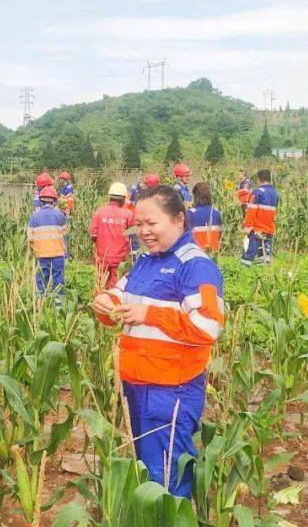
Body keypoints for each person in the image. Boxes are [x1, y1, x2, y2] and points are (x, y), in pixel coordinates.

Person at [91, 185, 225, 497]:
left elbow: (207, 327)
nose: (144, 232)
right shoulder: (146, 261)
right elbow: (122, 293)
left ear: (179, 219)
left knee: (166, 475)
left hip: (170, 390)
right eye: (138, 225)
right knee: (147, 472)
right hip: (137, 386)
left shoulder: (196, 266)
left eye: (152, 224)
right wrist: (106, 302)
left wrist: (149, 314)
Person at [90, 182, 135, 289]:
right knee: (116, 288)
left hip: (102, 258)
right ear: (123, 199)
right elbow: (133, 236)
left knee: (101, 286)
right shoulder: (127, 214)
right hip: (119, 259)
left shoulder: (99, 212)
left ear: (110, 198)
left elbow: (93, 234)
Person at [28, 186, 68, 305]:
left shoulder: (34, 216)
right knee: (58, 280)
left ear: (41, 201)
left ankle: (42, 304)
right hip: (57, 254)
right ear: (55, 201)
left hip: (41, 254)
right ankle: (59, 306)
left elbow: (30, 238)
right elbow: (64, 236)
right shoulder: (60, 216)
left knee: (41, 280)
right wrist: (66, 253)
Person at [240, 169, 279, 266]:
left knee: (248, 257)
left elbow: (251, 211)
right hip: (269, 229)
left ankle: (243, 273)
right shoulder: (275, 194)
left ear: (258, 179)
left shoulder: (257, 192)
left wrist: (247, 226)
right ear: (270, 178)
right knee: (265, 258)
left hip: (257, 229)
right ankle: (265, 277)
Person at [187, 182, 222, 257]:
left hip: (195, 254)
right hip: (213, 254)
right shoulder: (216, 213)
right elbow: (220, 235)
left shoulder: (191, 213)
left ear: (195, 197)